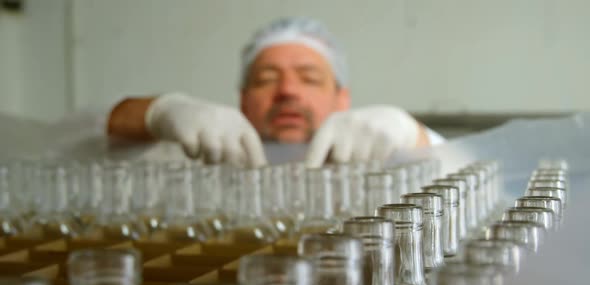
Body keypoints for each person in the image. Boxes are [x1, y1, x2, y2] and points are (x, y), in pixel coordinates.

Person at [107, 17, 444, 168]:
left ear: (342, 98)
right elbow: (96, 132)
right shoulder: (198, 157)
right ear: (242, 99)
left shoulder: (384, 159)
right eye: (267, 78)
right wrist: (164, 111)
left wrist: (414, 136)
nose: (287, 91)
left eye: (309, 78)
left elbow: (482, 179)